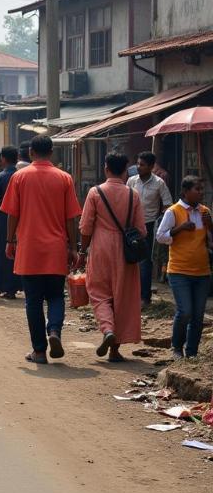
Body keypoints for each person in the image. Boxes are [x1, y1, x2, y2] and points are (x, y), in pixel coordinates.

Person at [1, 135, 82, 364]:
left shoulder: (19, 177)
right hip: (56, 248)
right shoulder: (64, 178)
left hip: (29, 248)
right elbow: (71, 218)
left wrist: (9, 241)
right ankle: (54, 330)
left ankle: (39, 351)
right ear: (52, 152)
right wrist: (73, 247)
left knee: (33, 300)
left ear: (31, 153)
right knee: (56, 295)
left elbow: (12, 214)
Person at [79, 153, 146, 362]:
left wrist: (82, 252)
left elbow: (86, 227)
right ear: (125, 170)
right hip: (125, 251)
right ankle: (115, 350)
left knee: (99, 293)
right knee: (122, 296)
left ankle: (107, 329)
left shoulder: (95, 192)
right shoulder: (133, 194)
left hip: (100, 247)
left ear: (106, 168)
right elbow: (141, 230)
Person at [156, 176, 213, 359]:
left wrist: (210, 225)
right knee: (185, 311)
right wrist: (179, 229)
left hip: (202, 271)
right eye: (197, 189)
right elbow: (160, 237)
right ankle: (176, 347)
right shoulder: (173, 211)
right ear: (185, 192)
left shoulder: (205, 212)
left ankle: (192, 352)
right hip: (179, 271)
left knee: (197, 316)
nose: (201, 192)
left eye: (201, 189)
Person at [127, 152, 173, 308]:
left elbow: (168, 204)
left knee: (145, 263)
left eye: (142, 165)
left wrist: (161, 223)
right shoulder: (131, 181)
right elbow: (125, 200)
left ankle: (144, 298)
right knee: (129, 260)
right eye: (138, 164)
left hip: (148, 225)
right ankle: (129, 296)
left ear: (151, 167)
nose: (139, 167)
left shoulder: (159, 183)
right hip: (131, 226)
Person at [0, 146, 21, 299]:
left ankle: (5, 286)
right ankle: (19, 285)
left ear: (3, 159)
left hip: (4, 218)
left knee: (4, 252)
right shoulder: (22, 176)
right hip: (22, 218)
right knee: (20, 251)